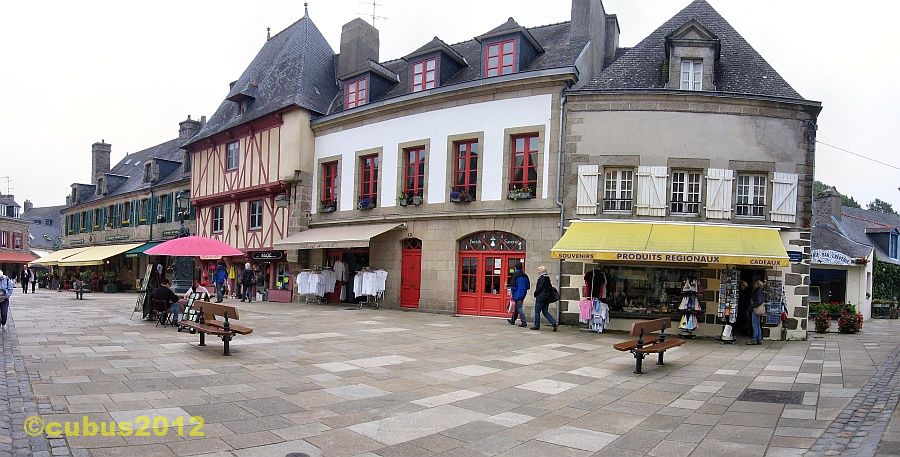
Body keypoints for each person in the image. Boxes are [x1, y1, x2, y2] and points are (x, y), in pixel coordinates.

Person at [531, 265, 558, 332]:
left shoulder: (542, 278)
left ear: (542, 271)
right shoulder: (547, 278)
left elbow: (539, 288)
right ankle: (554, 323)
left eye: (539, 270)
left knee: (537, 311)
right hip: (546, 298)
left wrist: (535, 293)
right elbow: (550, 288)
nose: (538, 271)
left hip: (541, 297)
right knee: (545, 312)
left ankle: (536, 325)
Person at [507, 262, 530, 327]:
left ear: (515, 267)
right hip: (523, 293)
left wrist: (512, 293)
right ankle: (513, 320)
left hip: (517, 293)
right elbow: (528, 286)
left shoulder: (515, 274)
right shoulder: (525, 275)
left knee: (519, 307)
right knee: (517, 307)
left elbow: (513, 285)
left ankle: (524, 322)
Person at [748, 279, 765, 345]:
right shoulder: (759, 291)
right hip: (757, 309)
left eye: (755, 284)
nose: (754, 284)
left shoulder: (758, 292)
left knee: (755, 325)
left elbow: (759, 301)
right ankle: (759, 339)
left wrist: (753, 307)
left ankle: (754, 339)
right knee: (757, 325)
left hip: (756, 309)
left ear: (758, 285)